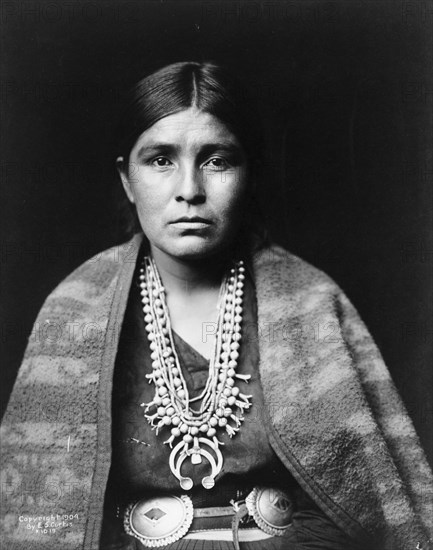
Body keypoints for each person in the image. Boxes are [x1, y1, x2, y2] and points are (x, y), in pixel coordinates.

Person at [1, 61, 432, 550]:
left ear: (250, 174)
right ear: (126, 179)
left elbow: (376, 500)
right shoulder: (75, 312)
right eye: (160, 160)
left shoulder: (310, 302)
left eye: (216, 160)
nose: (189, 189)